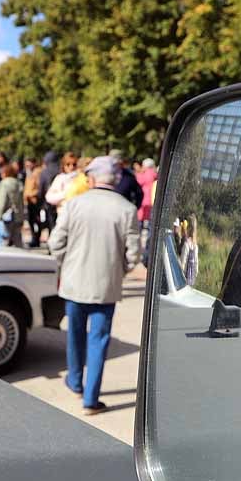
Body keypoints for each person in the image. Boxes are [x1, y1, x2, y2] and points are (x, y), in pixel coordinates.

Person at [48, 156, 139, 415]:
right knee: (98, 341)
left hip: (74, 283)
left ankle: (75, 382)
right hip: (106, 286)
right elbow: (133, 255)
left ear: (92, 178)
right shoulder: (126, 209)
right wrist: (118, 270)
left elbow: (56, 244)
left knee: (75, 337)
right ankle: (90, 399)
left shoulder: (73, 204)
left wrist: (66, 264)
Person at [0, 162, 25, 247]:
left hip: (6, 216)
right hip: (17, 215)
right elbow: (22, 202)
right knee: (18, 240)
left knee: (4, 240)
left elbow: (1, 202)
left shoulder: (4, 184)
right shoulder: (19, 183)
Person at [135, 158, 157, 255]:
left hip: (143, 201)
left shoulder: (144, 174)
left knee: (139, 223)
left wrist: (139, 172)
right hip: (152, 201)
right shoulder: (155, 174)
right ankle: (147, 246)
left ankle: (137, 245)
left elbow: (138, 182)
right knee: (148, 225)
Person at [38, 150, 62, 235]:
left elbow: (41, 189)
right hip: (62, 202)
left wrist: (40, 203)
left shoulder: (44, 172)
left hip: (49, 202)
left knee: (51, 224)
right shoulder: (61, 170)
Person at [23, 158, 43, 248]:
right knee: (31, 221)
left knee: (37, 221)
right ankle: (34, 238)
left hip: (35, 201)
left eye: (29, 165)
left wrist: (30, 194)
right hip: (29, 201)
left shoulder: (37, 173)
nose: (27, 167)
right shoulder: (29, 174)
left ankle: (36, 239)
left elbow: (39, 188)